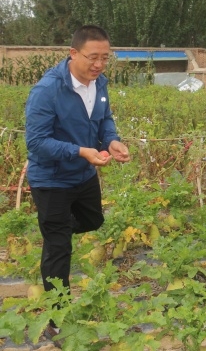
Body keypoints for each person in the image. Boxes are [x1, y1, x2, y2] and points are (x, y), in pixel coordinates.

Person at [25, 26, 130, 300]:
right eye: (92, 57)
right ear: (73, 53)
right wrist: (80, 151)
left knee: (93, 220)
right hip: (51, 179)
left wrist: (111, 141)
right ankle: (58, 314)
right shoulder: (47, 90)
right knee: (59, 249)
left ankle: (54, 229)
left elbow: (104, 118)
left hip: (83, 174)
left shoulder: (100, 83)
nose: (99, 64)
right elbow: (36, 142)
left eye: (105, 58)